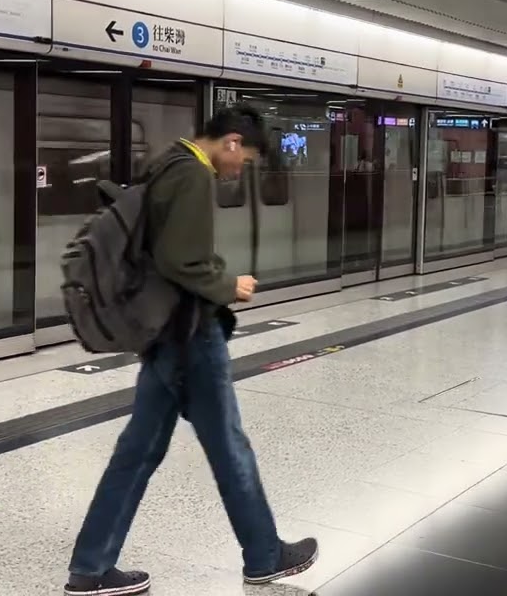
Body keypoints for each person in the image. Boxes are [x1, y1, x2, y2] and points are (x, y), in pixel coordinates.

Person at [63, 104, 318, 596]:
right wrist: (230, 284)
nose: (240, 169)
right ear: (232, 143)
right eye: (245, 159)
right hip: (190, 334)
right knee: (229, 448)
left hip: (164, 335)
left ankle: (90, 568)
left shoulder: (166, 163)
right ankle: (265, 557)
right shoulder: (193, 175)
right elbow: (182, 260)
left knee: (136, 452)